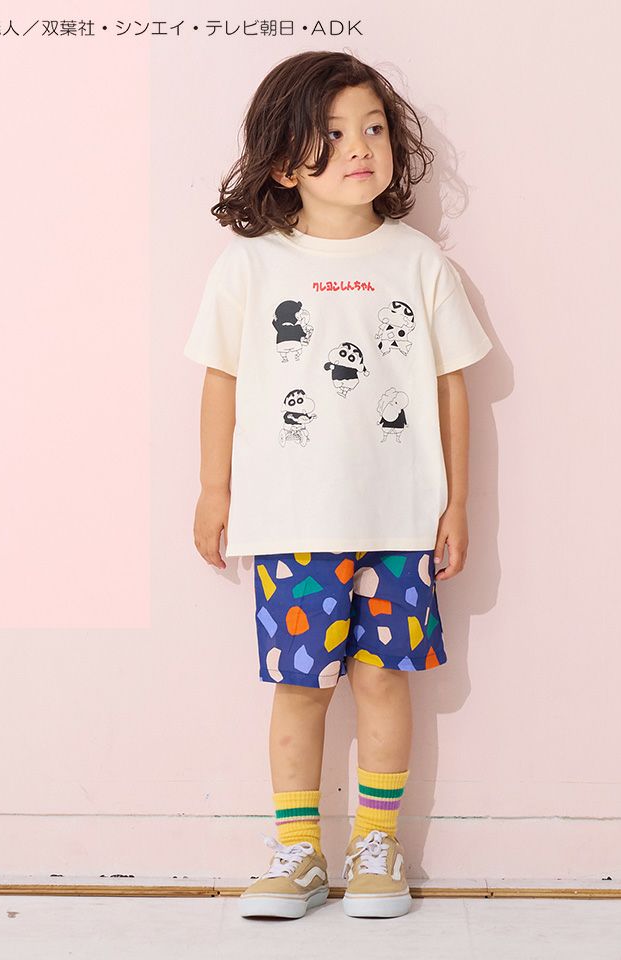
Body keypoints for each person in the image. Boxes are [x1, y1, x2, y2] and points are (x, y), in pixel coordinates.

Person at [182, 50, 492, 920]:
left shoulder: (419, 263)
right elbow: (221, 381)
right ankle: (299, 853)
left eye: (374, 128)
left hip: (398, 524)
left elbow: (450, 388)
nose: (360, 147)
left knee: (385, 680)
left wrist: (457, 504)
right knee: (300, 686)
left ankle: (376, 847)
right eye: (332, 133)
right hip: (290, 523)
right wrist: (214, 491)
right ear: (284, 162)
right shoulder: (250, 266)